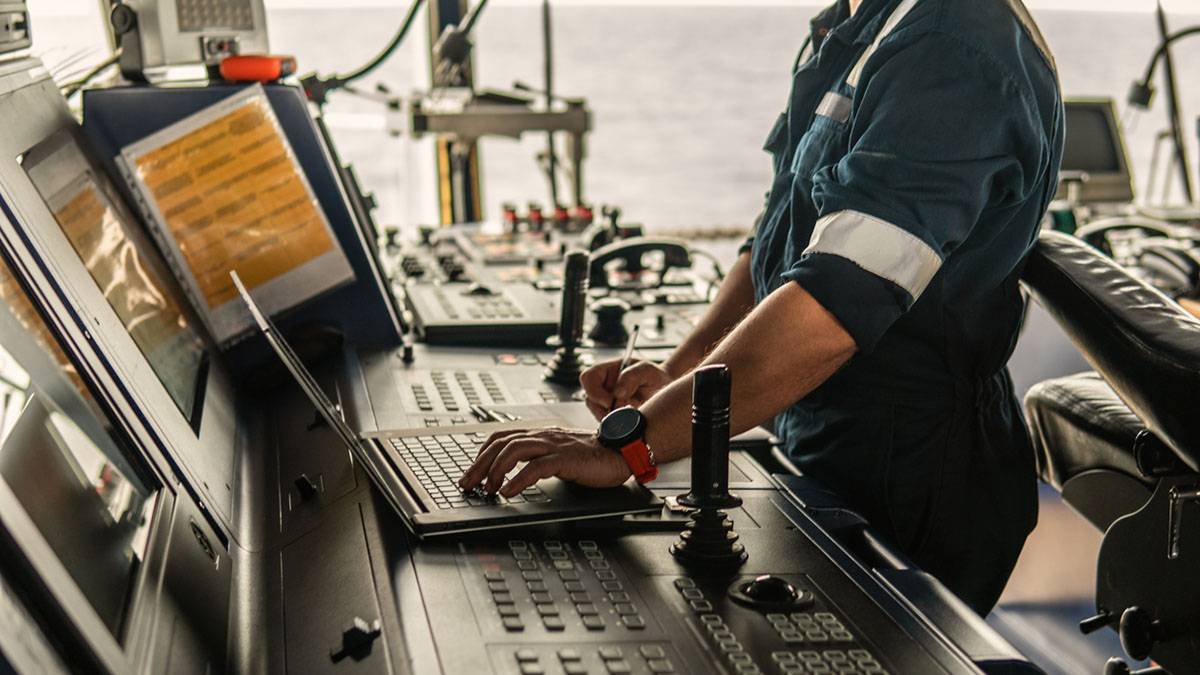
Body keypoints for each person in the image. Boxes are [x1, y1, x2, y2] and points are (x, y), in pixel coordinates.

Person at [461, 0, 1064, 615]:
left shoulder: (953, 50)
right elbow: (780, 238)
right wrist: (680, 376)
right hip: (812, 429)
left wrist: (628, 449)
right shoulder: (858, 25)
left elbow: (833, 305)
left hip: (910, 471)